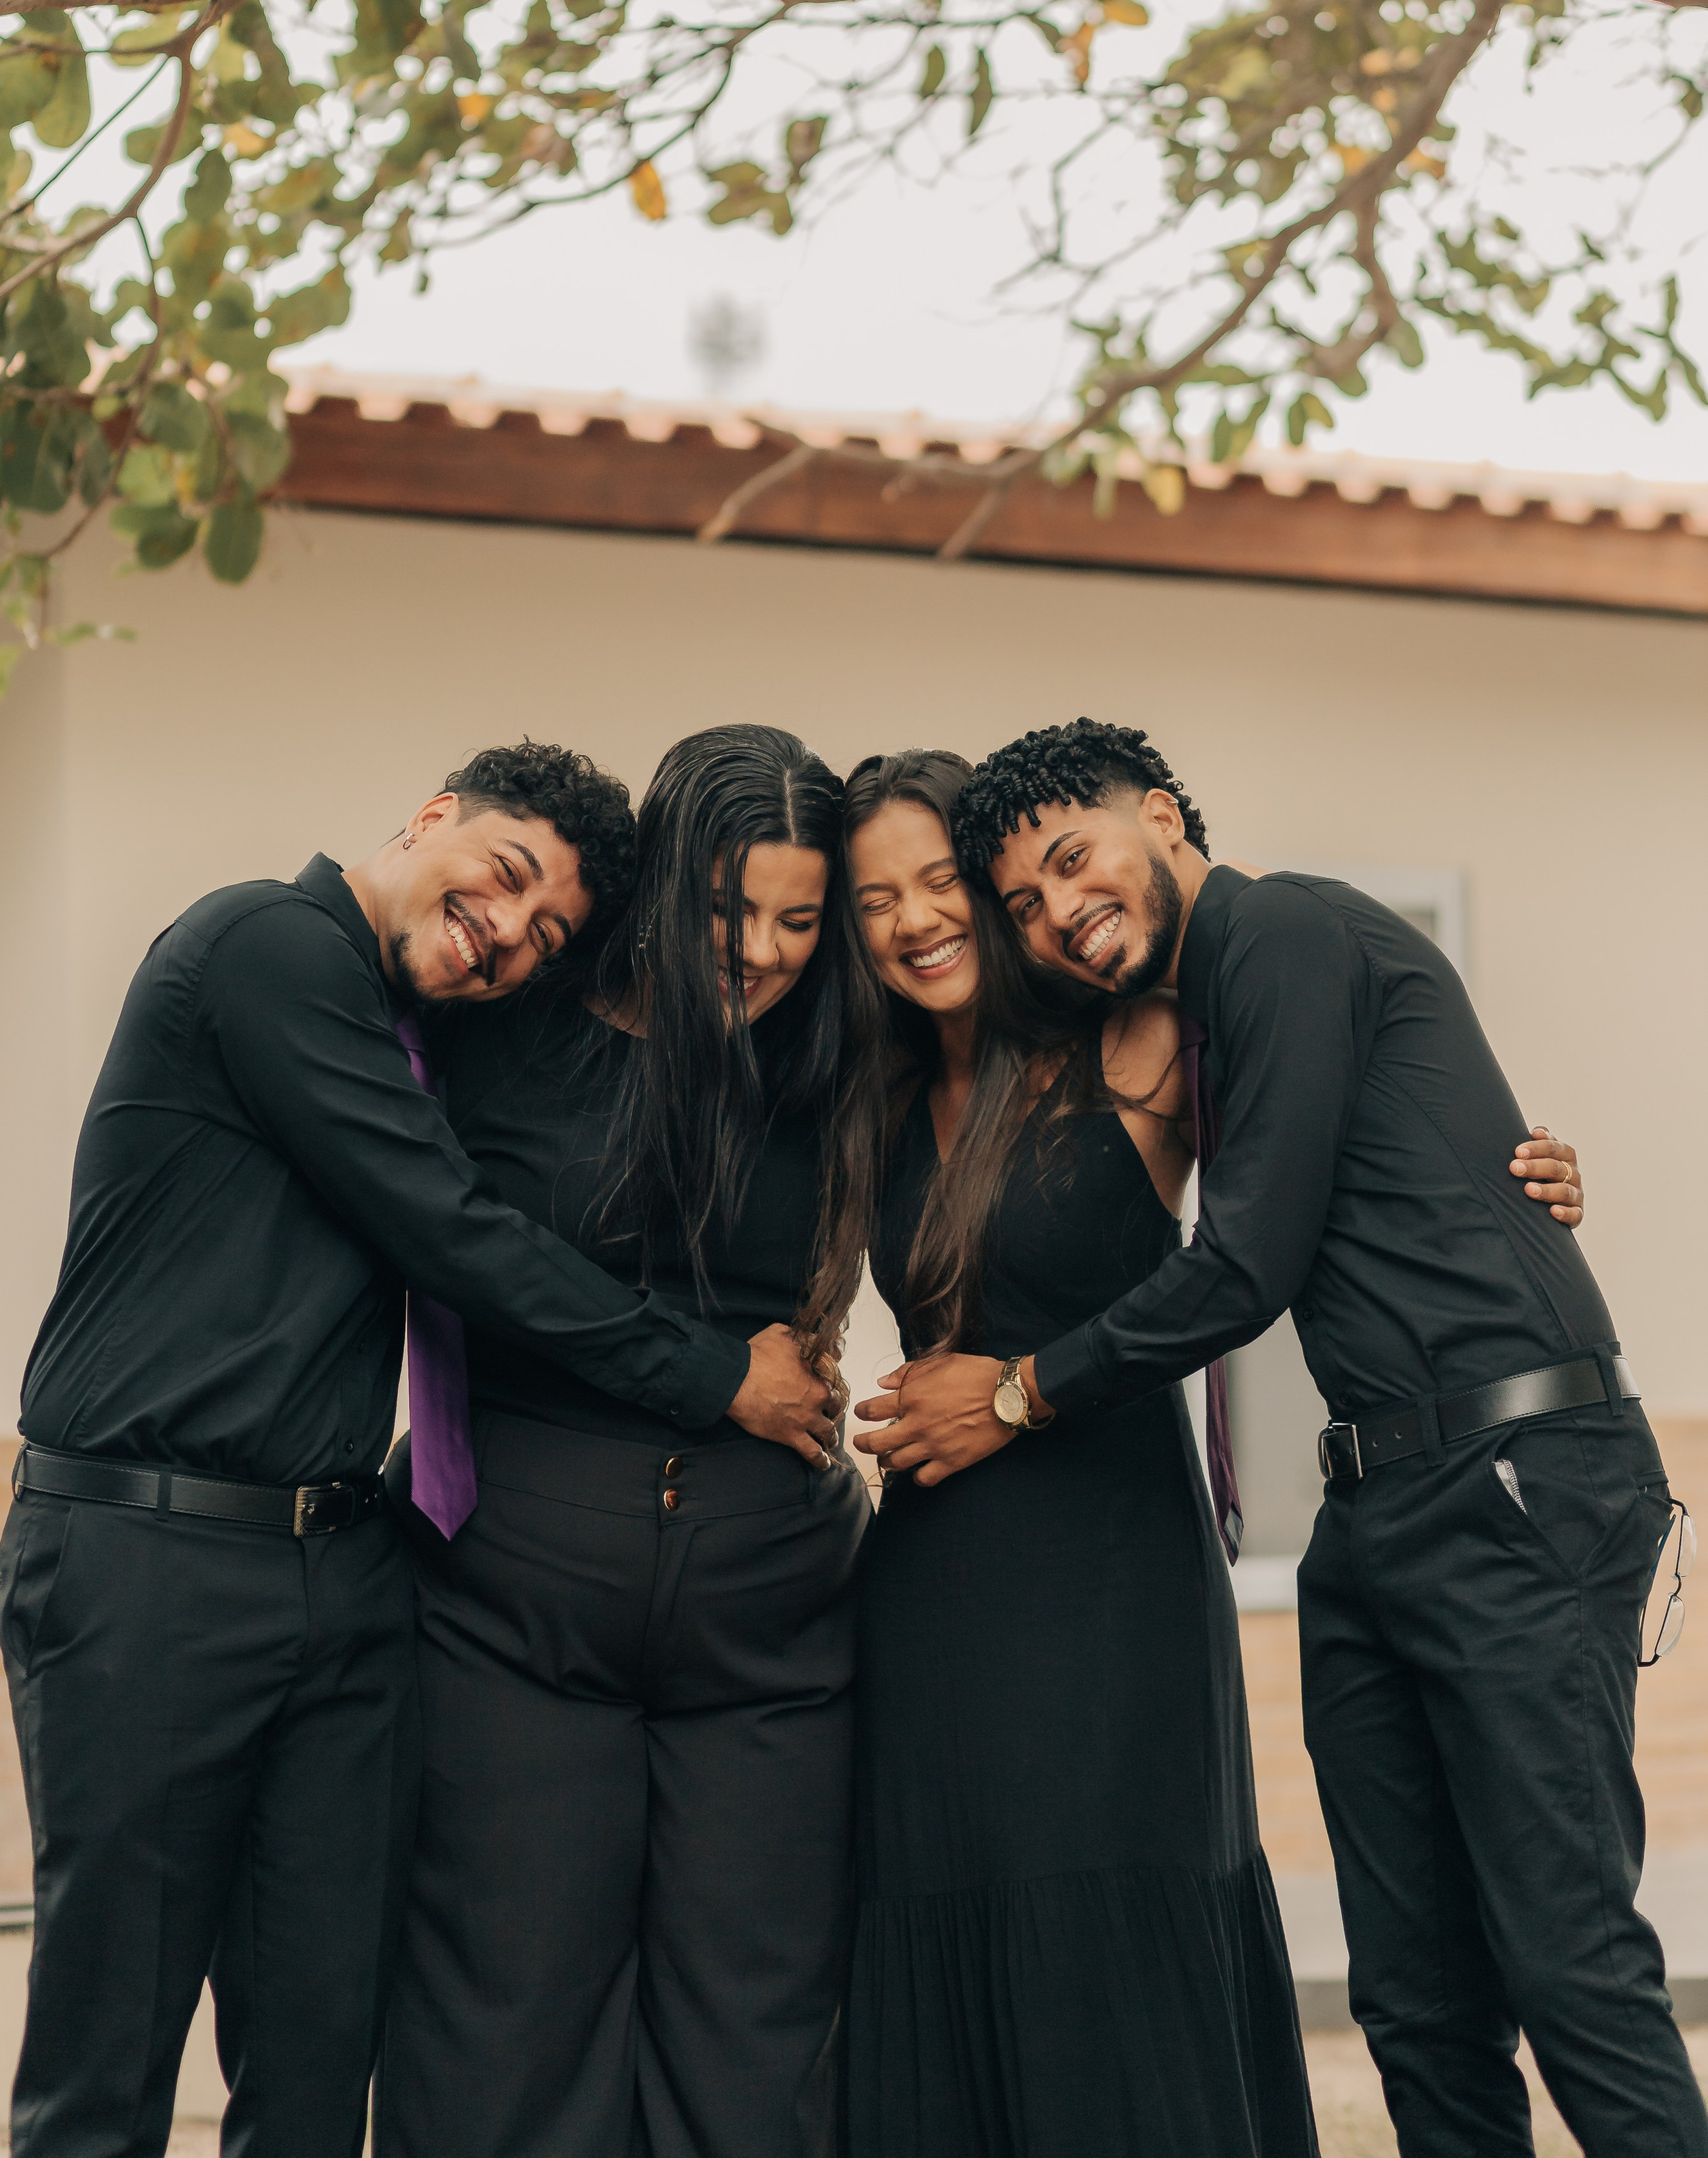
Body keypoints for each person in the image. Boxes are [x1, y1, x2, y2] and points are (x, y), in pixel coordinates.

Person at [871, 715, 1699, 2158]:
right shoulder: (1201, 1024)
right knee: (1414, 1996)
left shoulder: (1284, 934)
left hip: (1507, 1479)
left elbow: (1243, 1260)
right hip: (1375, 1502)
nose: (1060, 910)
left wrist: (1011, 1391)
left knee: (1564, 1955)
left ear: (1162, 815)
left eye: (1073, 858)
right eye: (1026, 901)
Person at [0, 740, 831, 2158]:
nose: (507, 931)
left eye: (548, 931)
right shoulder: (265, 947)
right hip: (150, 1552)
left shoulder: (428, 1028)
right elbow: (453, 1230)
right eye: (505, 877)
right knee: (110, 2058)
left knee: (322, 2049)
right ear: (432, 816)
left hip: (343, 1570)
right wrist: (713, 1377)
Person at [375, 725, 874, 2158]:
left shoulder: (840, 1053)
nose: (762, 950)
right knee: (505, 2010)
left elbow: (1071, 1058)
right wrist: (715, 1374)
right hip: (509, 1609)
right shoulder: (503, 1027)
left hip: (774, 1620)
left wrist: (1450, 1139)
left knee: (760, 2022)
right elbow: (458, 1252)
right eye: (729, 911)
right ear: (662, 886)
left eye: (797, 918)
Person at [839, 749, 1319, 2158]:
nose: (913, 918)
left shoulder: (1144, 1037)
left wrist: (1523, 1163)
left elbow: (1312, 1173)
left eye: (939, 881)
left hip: (1112, 1581)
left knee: (1106, 1938)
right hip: (926, 1587)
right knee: (939, 1928)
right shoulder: (865, 1096)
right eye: (872, 898)